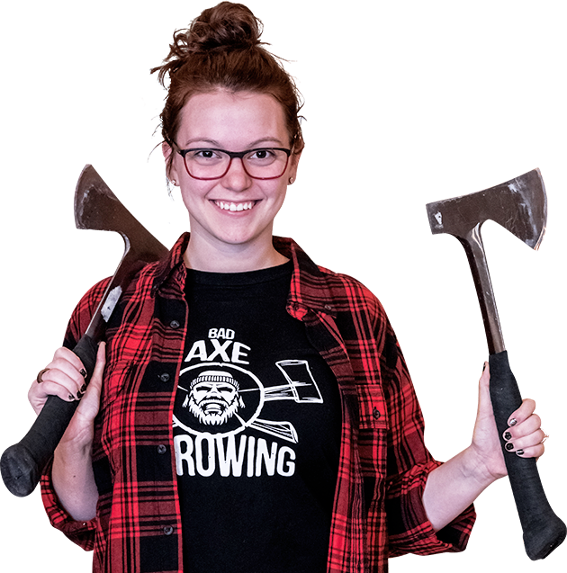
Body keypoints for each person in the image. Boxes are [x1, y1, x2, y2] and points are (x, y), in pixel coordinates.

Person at [27, 2, 549, 572]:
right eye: (206, 154)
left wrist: (479, 463)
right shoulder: (112, 310)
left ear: (294, 160)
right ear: (171, 163)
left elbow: (391, 519)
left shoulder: (353, 312)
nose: (236, 178)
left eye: (262, 153)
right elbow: (87, 516)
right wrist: (71, 438)